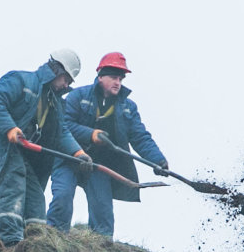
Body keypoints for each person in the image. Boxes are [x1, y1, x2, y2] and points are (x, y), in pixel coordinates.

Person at [0, 49, 93, 248]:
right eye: (66, 78)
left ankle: (35, 245)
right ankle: (11, 242)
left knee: (35, 195)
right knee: (14, 183)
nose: (67, 85)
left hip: (22, 153)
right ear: (55, 69)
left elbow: (61, 132)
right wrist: (9, 127)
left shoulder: (54, 102)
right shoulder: (21, 81)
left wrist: (79, 153)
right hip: (3, 147)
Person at [46, 52, 167, 238]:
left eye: (120, 78)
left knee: (103, 213)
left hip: (99, 165)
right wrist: (91, 134)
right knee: (62, 197)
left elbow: (140, 137)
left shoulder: (128, 107)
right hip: (68, 158)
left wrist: (157, 160)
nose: (118, 82)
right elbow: (64, 126)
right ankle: (53, 239)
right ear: (100, 76)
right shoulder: (77, 96)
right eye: (113, 77)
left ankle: (101, 250)